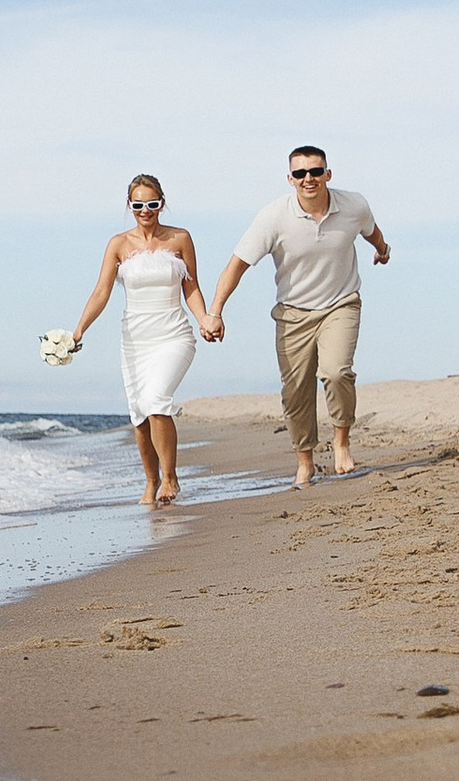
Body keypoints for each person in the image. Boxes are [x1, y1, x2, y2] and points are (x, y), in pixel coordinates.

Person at [205, 144, 391, 487]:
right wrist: (215, 311)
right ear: (290, 179)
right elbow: (236, 266)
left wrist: (382, 250)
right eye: (301, 173)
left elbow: (372, 232)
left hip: (340, 304)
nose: (309, 178)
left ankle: (341, 443)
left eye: (316, 171)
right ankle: (305, 462)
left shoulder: (353, 206)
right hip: (292, 313)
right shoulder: (273, 217)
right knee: (296, 391)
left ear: (328, 174)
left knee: (336, 372)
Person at [64, 174, 217, 511]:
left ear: (162, 203)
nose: (145, 210)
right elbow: (101, 292)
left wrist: (204, 318)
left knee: (156, 400)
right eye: (138, 204)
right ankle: (150, 481)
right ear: (129, 206)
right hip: (135, 341)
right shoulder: (118, 244)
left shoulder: (180, 238)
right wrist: (79, 331)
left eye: (152, 203)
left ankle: (170, 478)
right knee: (140, 415)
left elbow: (191, 287)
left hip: (174, 335)